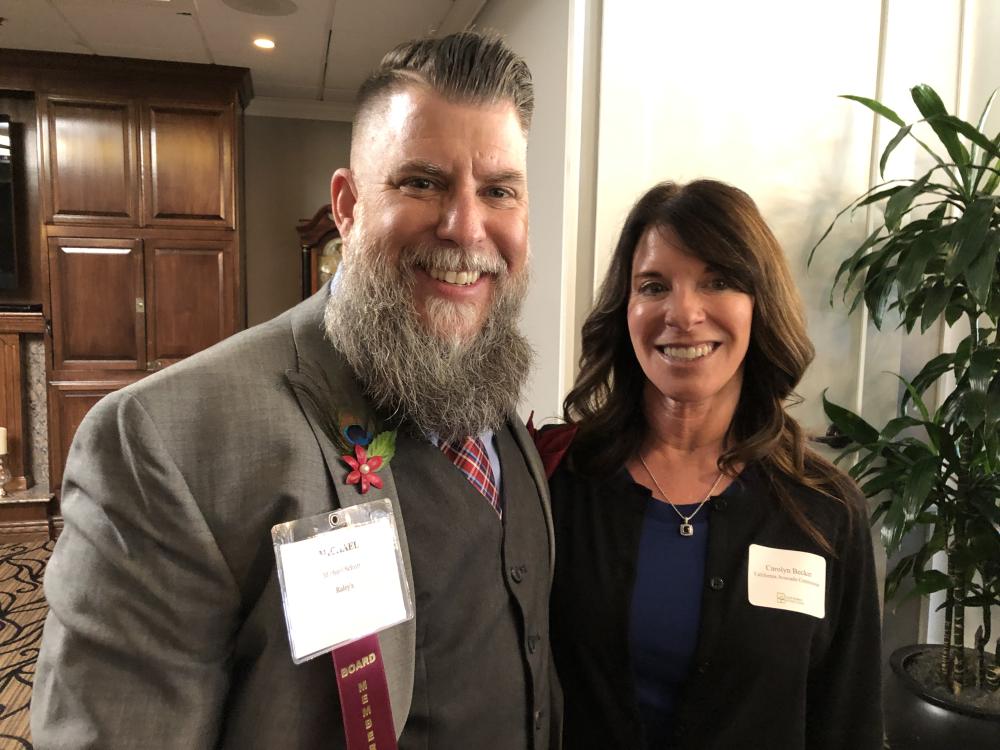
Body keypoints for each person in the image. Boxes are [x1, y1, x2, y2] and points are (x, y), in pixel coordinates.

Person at [32, 31, 559, 749]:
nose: (466, 227)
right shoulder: (165, 443)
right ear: (347, 206)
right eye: (422, 182)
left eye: (498, 191)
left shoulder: (489, 383)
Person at [548, 180, 883, 749]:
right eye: (653, 286)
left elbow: (848, 721)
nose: (683, 312)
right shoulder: (560, 482)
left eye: (718, 281)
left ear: (759, 304)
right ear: (624, 310)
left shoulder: (825, 510)